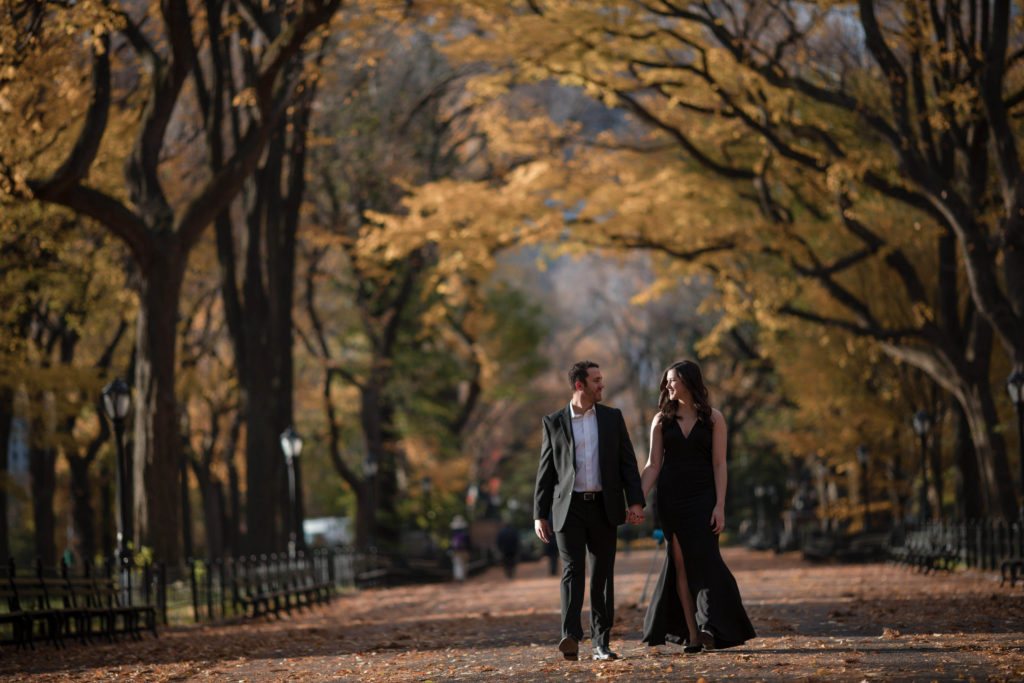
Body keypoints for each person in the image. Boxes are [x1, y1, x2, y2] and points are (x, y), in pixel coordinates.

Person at [640, 360, 756, 652]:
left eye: (673, 380)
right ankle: (694, 634)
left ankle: (709, 625)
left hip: (704, 498)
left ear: (689, 382)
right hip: (671, 499)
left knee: (707, 561)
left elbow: (719, 464)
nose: (667, 386)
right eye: (666, 382)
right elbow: (653, 465)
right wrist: (636, 501)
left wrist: (720, 505)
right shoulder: (661, 420)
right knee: (679, 566)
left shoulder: (714, 418)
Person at [534, 360, 646, 662]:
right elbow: (546, 471)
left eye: (602, 379)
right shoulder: (554, 421)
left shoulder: (612, 418)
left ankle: (601, 642)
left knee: (602, 576)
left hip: (603, 507)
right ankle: (569, 635)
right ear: (580, 385)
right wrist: (539, 514)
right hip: (567, 509)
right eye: (596, 380)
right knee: (572, 572)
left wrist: (634, 502)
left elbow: (627, 463)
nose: (602, 385)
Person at [450, 515, 470, 582]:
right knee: (463, 564)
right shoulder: (465, 534)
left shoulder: (453, 534)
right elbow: (468, 543)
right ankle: (462, 577)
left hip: (456, 551)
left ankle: (459, 577)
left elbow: (451, 544)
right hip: (464, 551)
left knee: (457, 564)